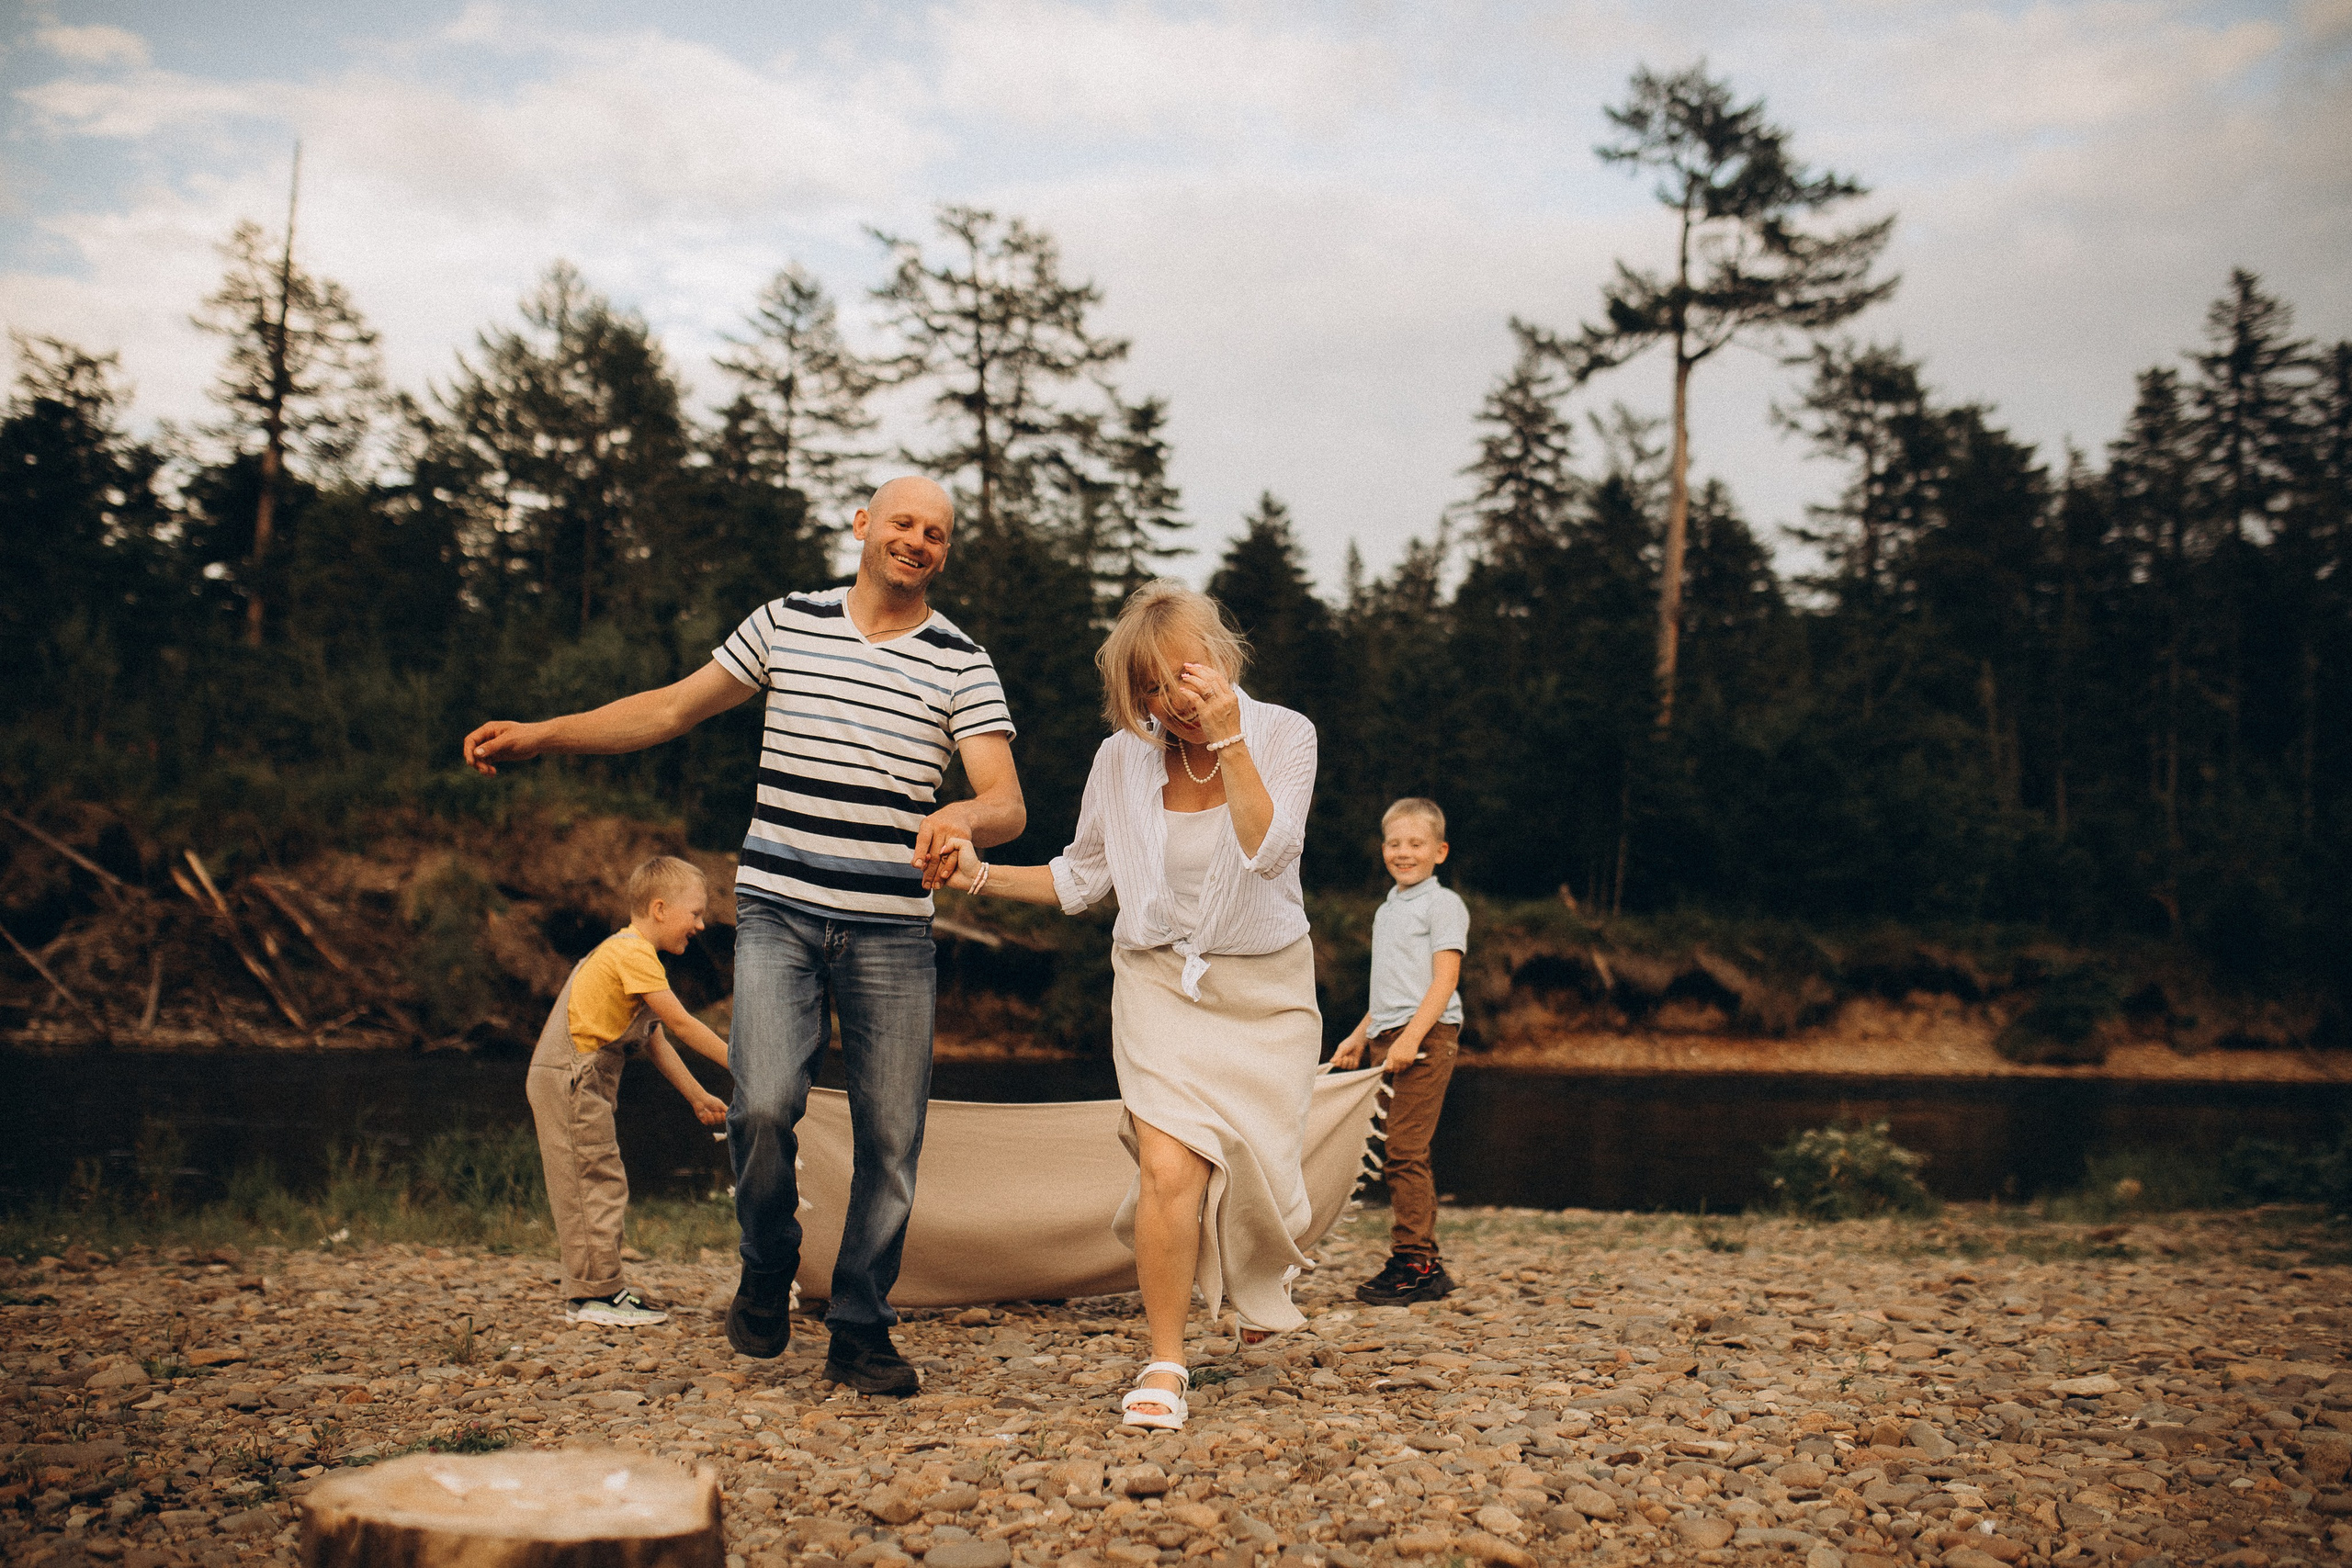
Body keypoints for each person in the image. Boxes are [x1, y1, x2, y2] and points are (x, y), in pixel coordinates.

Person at [464, 476, 1024, 1394]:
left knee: (892, 1138)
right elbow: (670, 710)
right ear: (863, 527)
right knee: (762, 1103)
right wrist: (546, 735)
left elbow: (1006, 801)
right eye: (903, 523)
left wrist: (962, 814)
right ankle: (768, 1261)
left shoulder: (961, 661)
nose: (918, 541)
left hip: (891, 933)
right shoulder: (787, 621)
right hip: (780, 915)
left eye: (937, 533)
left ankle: (859, 1326)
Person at [933, 580, 1318, 1432]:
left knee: (1262, 1171)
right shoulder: (1120, 760)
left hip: (1264, 991)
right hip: (1153, 983)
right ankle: (1166, 1358)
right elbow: (1082, 876)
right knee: (1169, 1165)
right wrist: (980, 875)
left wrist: (1231, 742)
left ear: (1219, 662)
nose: (1166, 702)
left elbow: (1269, 850)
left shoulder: (1287, 733)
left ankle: (1257, 1277)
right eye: (1145, 688)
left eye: (1179, 677)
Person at [527, 855, 732, 1326]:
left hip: (575, 1078)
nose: (700, 925)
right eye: (695, 914)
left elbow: (655, 1038)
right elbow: (681, 1023)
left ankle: (598, 1290)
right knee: (592, 1181)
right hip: (572, 1079)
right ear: (660, 909)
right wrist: (748, 1066)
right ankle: (594, 1296)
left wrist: (698, 1095)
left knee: (598, 1176)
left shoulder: (628, 955)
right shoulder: (633, 954)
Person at [1330, 798, 1469, 1304]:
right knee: (1391, 1148)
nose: (1403, 852)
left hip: (1426, 1038)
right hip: (1388, 1039)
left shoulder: (1443, 904)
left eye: (1416, 844)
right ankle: (1418, 1257)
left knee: (1405, 1151)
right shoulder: (1388, 909)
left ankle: (1418, 1263)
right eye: (1394, 843)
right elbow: (1390, 989)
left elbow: (1444, 979)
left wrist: (1411, 1037)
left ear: (1440, 851)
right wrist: (1360, 1034)